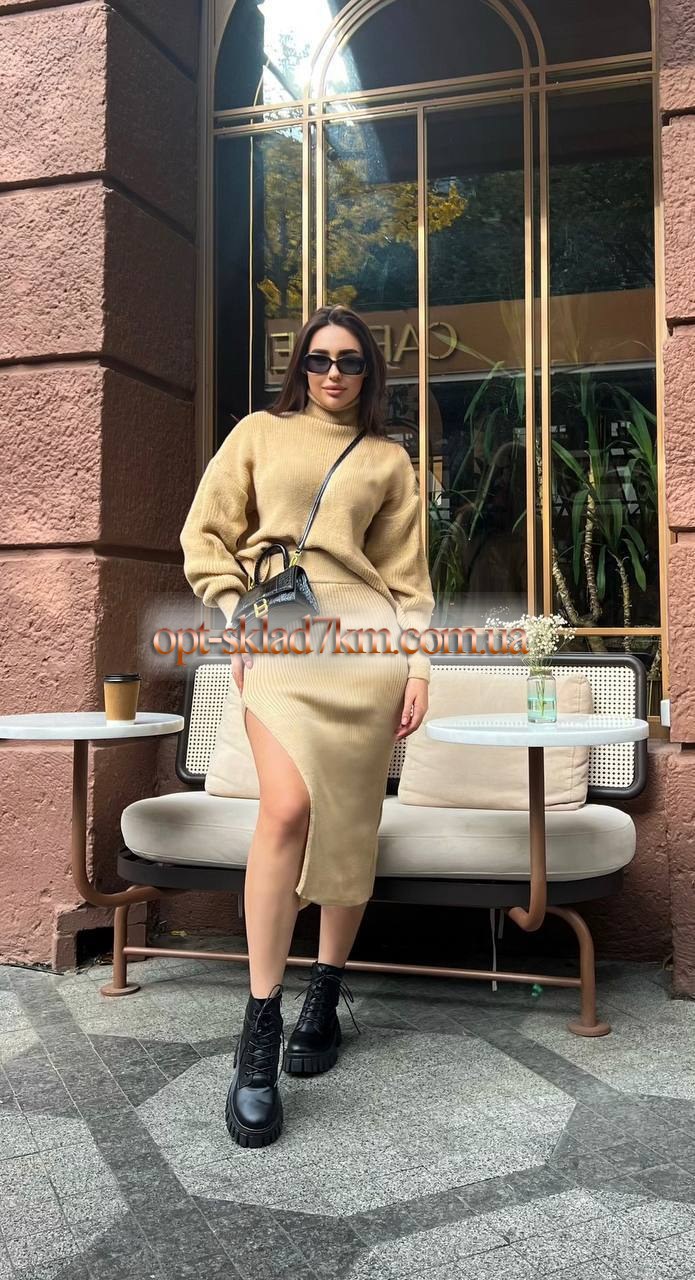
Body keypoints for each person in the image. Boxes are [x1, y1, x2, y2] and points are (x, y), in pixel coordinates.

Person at [179, 304, 435, 1148]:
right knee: (285, 809)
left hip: (366, 651)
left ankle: (324, 991)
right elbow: (205, 535)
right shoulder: (257, 433)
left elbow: (409, 581)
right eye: (320, 358)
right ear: (299, 366)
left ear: (369, 372)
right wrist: (233, 612)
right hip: (280, 631)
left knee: (350, 825)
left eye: (350, 361)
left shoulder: (387, 458)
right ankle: (259, 1029)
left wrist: (419, 668)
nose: (333, 373)